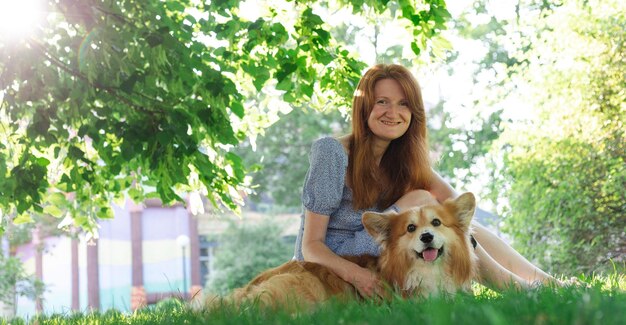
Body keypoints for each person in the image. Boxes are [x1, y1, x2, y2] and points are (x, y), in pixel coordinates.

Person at [293, 63, 556, 298]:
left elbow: (454, 205)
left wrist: (451, 227)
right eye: (382, 101)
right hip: (337, 255)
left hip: (380, 242)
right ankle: (514, 288)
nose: (393, 112)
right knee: (423, 201)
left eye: (403, 103)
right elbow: (310, 247)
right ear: (364, 107)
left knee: (450, 221)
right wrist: (358, 276)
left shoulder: (400, 159)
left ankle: (546, 283)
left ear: (413, 112)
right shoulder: (332, 153)